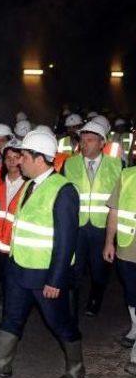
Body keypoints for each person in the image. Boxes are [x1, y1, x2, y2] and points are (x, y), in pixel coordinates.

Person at [0, 129, 83, 378]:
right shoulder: (29, 185)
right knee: (11, 317)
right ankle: (2, 363)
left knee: (59, 322)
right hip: (18, 268)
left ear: (38, 158)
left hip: (44, 275)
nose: (19, 161)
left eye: (23, 156)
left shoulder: (63, 190)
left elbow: (66, 241)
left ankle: (76, 367)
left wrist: (56, 280)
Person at [63, 120, 122, 317]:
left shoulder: (116, 165)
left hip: (102, 226)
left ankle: (95, 300)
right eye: (83, 139)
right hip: (77, 225)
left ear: (101, 143)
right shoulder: (70, 163)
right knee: (75, 268)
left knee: (99, 269)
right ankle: (72, 307)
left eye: (90, 140)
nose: (85, 143)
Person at [104, 165, 136, 375]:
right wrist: (109, 242)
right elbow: (114, 211)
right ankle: (135, 326)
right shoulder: (127, 175)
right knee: (132, 295)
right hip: (127, 248)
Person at [0, 140, 26, 310]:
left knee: (12, 279)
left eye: (16, 157)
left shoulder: (28, 186)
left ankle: (10, 305)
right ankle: (5, 299)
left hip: (14, 244)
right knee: (1, 276)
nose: (11, 161)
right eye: (8, 157)